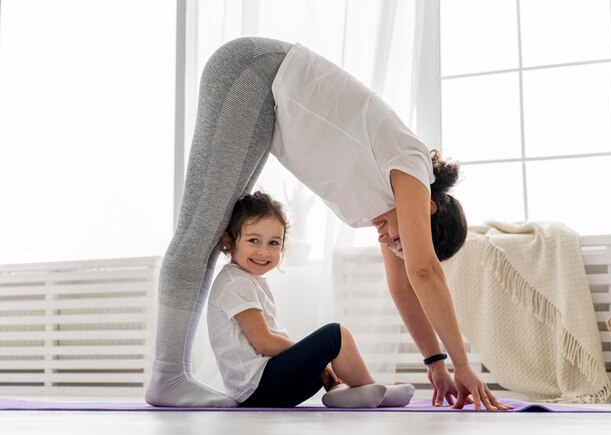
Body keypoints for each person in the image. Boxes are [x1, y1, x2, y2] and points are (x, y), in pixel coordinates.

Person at [145, 37, 512, 411]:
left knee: (209, 231)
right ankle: (168, 374)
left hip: (266, 98)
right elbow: (422, 270)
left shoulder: (387, 201)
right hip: (255, 72)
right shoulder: (410, 164)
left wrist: (435, 364)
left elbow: (402, 285)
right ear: (428, 209)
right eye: (399, 238)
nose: (385, 239)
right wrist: (462, 365)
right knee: (200, 231)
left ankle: (172, 375)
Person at [207, 191, 415, 408]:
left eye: (273, 243)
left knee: (319, 363)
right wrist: (309, 352)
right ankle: (372, 388)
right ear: (229, 241)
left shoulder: (245, 279)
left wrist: (314, 360)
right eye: (253, 240)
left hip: (260, 388)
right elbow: (264, 342)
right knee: (335, 335)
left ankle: (340, 391)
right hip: (257, 388)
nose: (264, 251)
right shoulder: (235, 282)